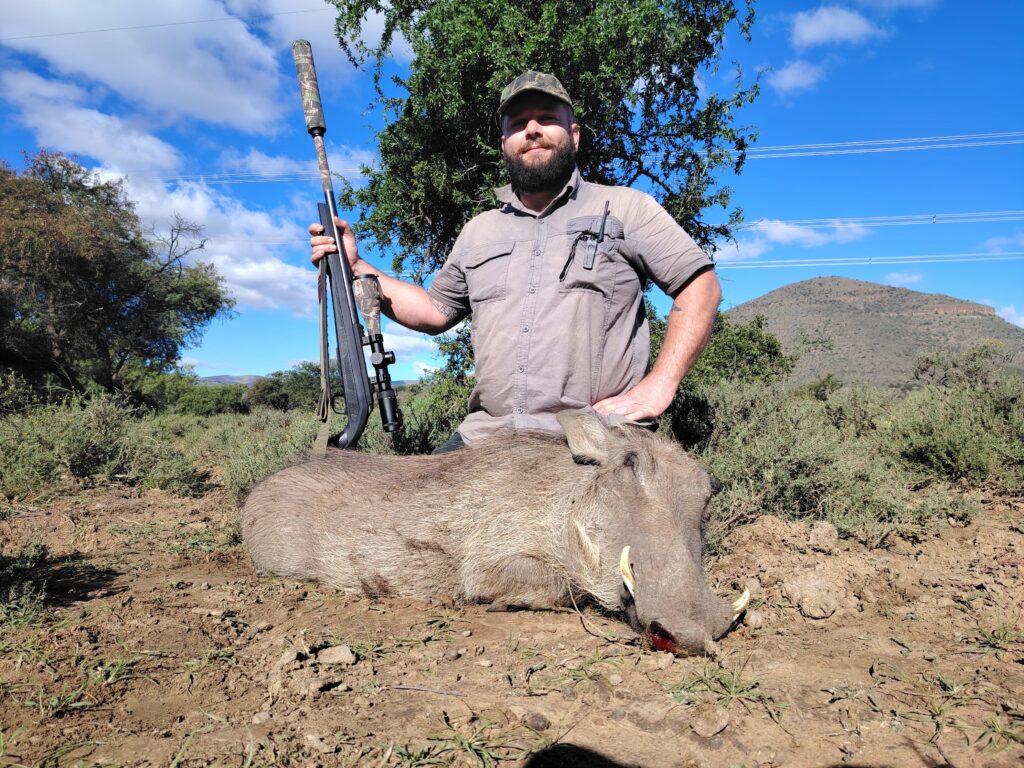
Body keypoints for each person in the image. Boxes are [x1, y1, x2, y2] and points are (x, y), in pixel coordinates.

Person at [310, 71, 721, 453]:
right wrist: (356, 266)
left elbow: (699, 285)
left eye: (547, 118)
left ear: (574, 136)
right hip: (485, 438)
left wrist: (660, 385)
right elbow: (435, 311)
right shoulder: (479, 232)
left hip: (591, 437)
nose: (532, 130)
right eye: (518, 123)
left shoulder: (626, 208)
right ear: (505, 143)